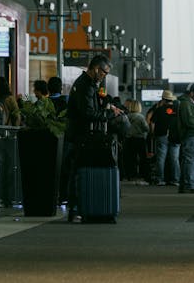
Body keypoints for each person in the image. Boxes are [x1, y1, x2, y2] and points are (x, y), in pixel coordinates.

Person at [66, 54, 122, 221]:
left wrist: (107, 106)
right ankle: (75, 207)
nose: (105, 76)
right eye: (104, 72)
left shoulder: (86, 84)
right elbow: (88, 113)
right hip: (81, 136)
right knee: (77, 171)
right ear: (96, 68)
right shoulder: (85, 86)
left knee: (78, 170)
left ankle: (77, 207)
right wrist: (109, 114)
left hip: (80, 135)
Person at [0, 77, 21, 208]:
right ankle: (7, 198)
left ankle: (0, 197)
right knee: (9, 169)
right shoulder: (10, 99)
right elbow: (17, 116)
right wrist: (14, 131)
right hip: (8, 137)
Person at [151, 90, 180, 186]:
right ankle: (175, 180)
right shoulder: (177, 110)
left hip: (161, 135)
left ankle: (160, 179)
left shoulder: (159, 109)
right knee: (174, 159)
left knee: (161, 158)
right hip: (175, 136)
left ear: (163, 99)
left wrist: (153, 133)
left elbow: (152, 123)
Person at [48, 76, 68, 205]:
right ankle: (63, 196)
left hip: (49, 138)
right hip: (64, 137)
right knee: (64, 168)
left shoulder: (45, 102)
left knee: (51, 167)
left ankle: (51, 196)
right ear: (61, 87)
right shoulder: (66, 100)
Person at [123, 99, 149, 184]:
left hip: (129, 139)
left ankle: (130, 175)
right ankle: (143, 175)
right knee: (142, 158)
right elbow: (146, 128)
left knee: (130, 158)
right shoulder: (140, 117)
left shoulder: (126, 116)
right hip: (139, 139)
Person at [178, 83, 194, 193]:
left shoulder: (187, 103)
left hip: (189, 135)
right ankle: (188, 184)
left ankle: (185, 185)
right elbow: (188, 121)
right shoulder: (185, 103)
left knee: (187, 160)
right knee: (189, 160)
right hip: (190, 135)